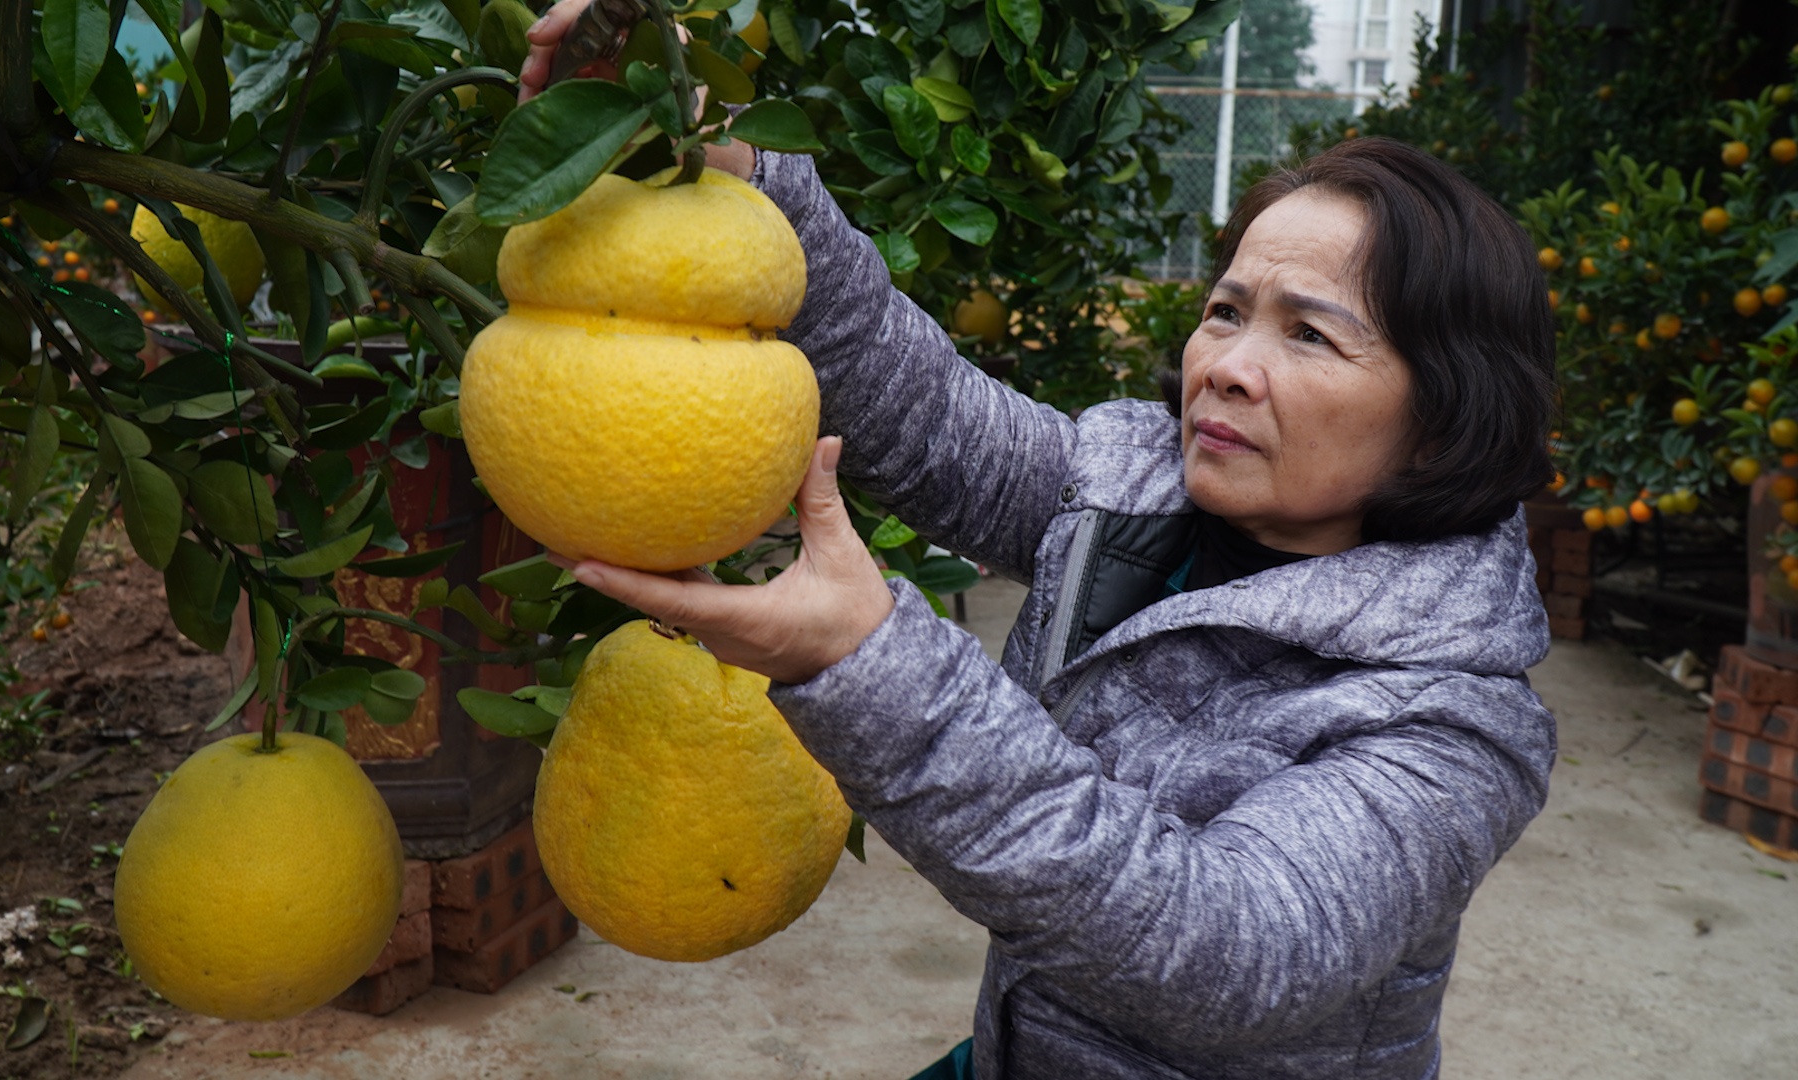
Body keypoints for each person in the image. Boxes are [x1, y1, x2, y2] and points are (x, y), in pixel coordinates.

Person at [521, 10, 1560, 1077]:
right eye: (1225, 311)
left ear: (1443, 418)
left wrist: (865, 659)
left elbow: (1223, 951)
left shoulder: (1453, 723)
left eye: (1309, 333)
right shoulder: (1127, 493)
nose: (1231, 365)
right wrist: (725, 157)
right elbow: (914, 407)